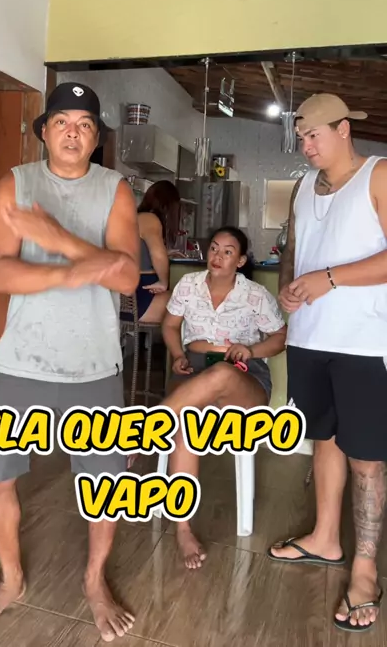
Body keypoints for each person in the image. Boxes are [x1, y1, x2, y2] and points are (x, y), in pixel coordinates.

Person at [0, 82, 140, 643]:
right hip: (21, 361)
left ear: (96, 138)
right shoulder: (16, 184)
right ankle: (11, 580)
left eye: (85, 124)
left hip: (95, 366)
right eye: (62, 121)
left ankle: (94, 581)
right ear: (43, 131)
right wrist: (73, 271)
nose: (72, 132)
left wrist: (58, 238)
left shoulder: (115, 190)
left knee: (104, 491)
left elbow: (127, 277)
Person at [267, 93, 387, 634]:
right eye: (301, 138)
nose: (306, 146)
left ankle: (365, 570)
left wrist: (331, 279)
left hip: (366, 343)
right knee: (325, 440)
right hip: (309, 339)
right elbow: (295, 254)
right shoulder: (302, 188)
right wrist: (289, 290)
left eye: (313, 135)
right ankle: (324, 538)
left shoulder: (378, 175)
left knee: (367, 456)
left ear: (344, 129)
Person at [161, 226, 286, 568]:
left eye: (227, 252)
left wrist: (251, 350)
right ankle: (183, 529)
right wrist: (178, 355)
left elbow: (280, 337)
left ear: (241, 260)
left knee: (221, 374)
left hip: (244, 377)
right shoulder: (189, 285)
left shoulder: (255, 295)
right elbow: (170, 326)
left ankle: (143, 429)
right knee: (185, 425)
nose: (217, 256)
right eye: (214, 248)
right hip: (194, 368)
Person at [135, 180, 180, 323]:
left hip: (125, 298)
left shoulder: (136, 217)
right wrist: (163, 282)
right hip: (141, 297)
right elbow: (158, 255)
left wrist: (167, 253)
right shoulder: (150, 219)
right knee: (192, 304)